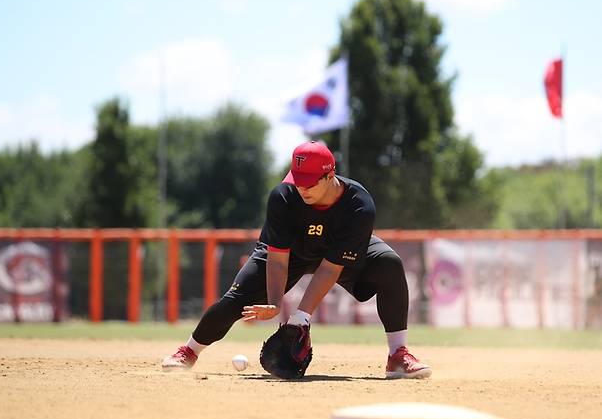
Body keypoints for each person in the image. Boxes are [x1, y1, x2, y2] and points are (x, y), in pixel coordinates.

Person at [162, 140, 431, 379]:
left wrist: (300, 318)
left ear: (330, 175)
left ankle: (397, 354)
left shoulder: (359, 205)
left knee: (389, 264)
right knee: (237, 301)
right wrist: (274, 302)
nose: (302, 187)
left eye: (310, 181)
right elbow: (277, 260)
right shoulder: (284, 196)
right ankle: (189, 350)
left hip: (334, 252)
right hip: (291, 252)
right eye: (298, 178)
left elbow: (330, 268)